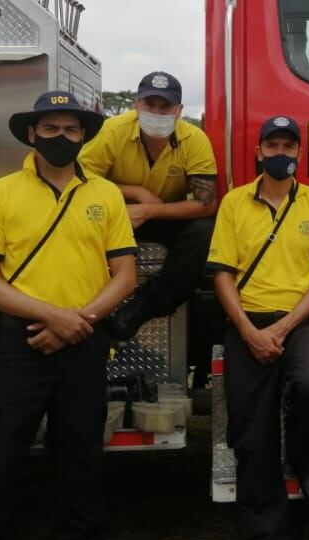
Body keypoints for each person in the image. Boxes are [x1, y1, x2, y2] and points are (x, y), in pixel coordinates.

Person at [0, 91, 137, 540]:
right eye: (49, 128)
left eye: (70, 129)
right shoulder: (0, 194)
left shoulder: (105, 195)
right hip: (21, 344)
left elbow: (124, 275)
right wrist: (53, 317)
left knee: (80, 464)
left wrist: (79, 321)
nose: (60, 137)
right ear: (31, 134)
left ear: (84, 136)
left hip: (84, 342)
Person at [206, 116, 309, 540]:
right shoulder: (234, 203)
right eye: (273, 144)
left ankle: (305, 455)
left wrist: (282, 330)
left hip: (301, 318)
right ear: (259, 151)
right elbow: (222, 273)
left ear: (299, 154)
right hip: (246, 322)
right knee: (252, 442)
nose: (281, 151)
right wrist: (247, 330)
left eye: (289, 145)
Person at [79, 71, 217, 362]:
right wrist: (135, 193)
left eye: (165, 107)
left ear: (179, 111)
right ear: (135, 105)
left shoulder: (195, 139)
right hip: (115, 215)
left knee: (204, 232)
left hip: (164, 215)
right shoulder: (111, 131)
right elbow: (78, 179)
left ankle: (141, 310)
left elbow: (206, 203)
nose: (157, 112)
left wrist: (150, 209)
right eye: (149, 104)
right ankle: (81, 312)